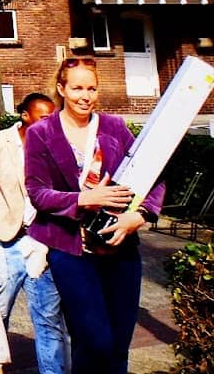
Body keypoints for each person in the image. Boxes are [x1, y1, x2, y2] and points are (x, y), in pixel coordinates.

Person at [25, 55, 164, 374]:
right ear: (61, 88)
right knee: (94, 340)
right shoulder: (41, 133)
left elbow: (152, 177)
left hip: (121, 249)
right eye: (76, 88)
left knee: (118, 344)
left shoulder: (114, 127)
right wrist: (84, 198)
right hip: (72, 252)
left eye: (91, 88)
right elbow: (38, 193)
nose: (84, 96)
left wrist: (138, 216)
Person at [0, 92, 69, 374]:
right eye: (44, 117)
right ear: (25, 115)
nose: (51, 123)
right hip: (2, 239)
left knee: (49, 316)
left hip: (40, 242)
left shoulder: (56, 148)